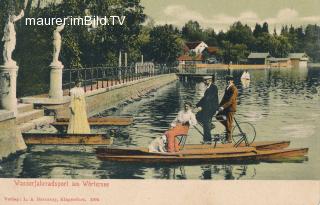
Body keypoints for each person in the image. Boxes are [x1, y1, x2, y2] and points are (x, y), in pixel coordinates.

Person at [195, 75, 219, 143]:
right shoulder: (208, 87)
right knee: (197, 116)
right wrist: (197, 105)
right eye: (204, 81)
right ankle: (210, 126)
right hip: (207, 107)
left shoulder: (213, 87)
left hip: (211, 108)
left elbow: (208, 98)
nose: (204, 82)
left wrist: (201, 107)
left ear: (210, 80)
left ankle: (208, 140)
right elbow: (204, 98)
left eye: (205, 80)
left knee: (206, 123)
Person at [218, 75, 238, 143]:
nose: (228, 81)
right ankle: (229, 126)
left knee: (229, 123)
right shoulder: (227, 87)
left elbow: (231, 100)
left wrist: (222, 107)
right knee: (218, 116)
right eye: (227, 80)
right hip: (226, 107)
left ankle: (229, 139)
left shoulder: (234, 89)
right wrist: (219, 106)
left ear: (232, 81)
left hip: (231, 108)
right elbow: (224, 98)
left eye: (229, 80)